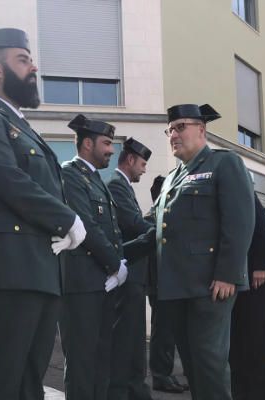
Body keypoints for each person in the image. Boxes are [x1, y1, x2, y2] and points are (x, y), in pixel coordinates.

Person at [0, 28, 86, 399]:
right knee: (0, 379)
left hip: (38, 270)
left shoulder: (22, 126)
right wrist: (67, 219)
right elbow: (9, 180)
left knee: (30, 384)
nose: (34, 67)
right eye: (23, 59)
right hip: (6, 269)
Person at [125, 104, 256, 400]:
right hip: (175, 287)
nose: (174, 134)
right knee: (194, 365)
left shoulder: (224, 164)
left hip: (210, 285)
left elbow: (239, 222)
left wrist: (227, 274)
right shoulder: (172, 178)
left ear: (202, 129)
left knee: (209, 363)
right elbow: (155, 230)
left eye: (181, 126)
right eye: (170, 129)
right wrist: (118, 255)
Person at [60, 114, 127, 400]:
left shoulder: (96, 180)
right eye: (107, 143)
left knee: (101, 360)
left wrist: (117, 267)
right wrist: (115, 266)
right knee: (82, 362)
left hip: (101, 284)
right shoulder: (70, 175)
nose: (112, 150)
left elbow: (110, 230)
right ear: (87, 143)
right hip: (81, 285)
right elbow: (86, 226)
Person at [106, 138, 155, 400]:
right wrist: (160, 232)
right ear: (130, 160)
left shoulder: (124, 187)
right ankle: (121, 391)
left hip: (134, 275)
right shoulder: (116, 186)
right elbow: (132, 222)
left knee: (134, 339)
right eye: (143, 164)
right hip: (127, 274)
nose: (144, 169)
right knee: (125, 338)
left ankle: (134, 389)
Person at [229, 199, 265, 400]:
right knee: (243, 340)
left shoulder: (242, 189)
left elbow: (263, 226)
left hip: (256, 277)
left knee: (260, 341)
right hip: (242, 277)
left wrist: (261, 265)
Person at [147, 176, 190, 394]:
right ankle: (161, 375)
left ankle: (167, 374)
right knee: (163, 333)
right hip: (160, 284)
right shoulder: (153, 217)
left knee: (172, 333)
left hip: (172, 283)